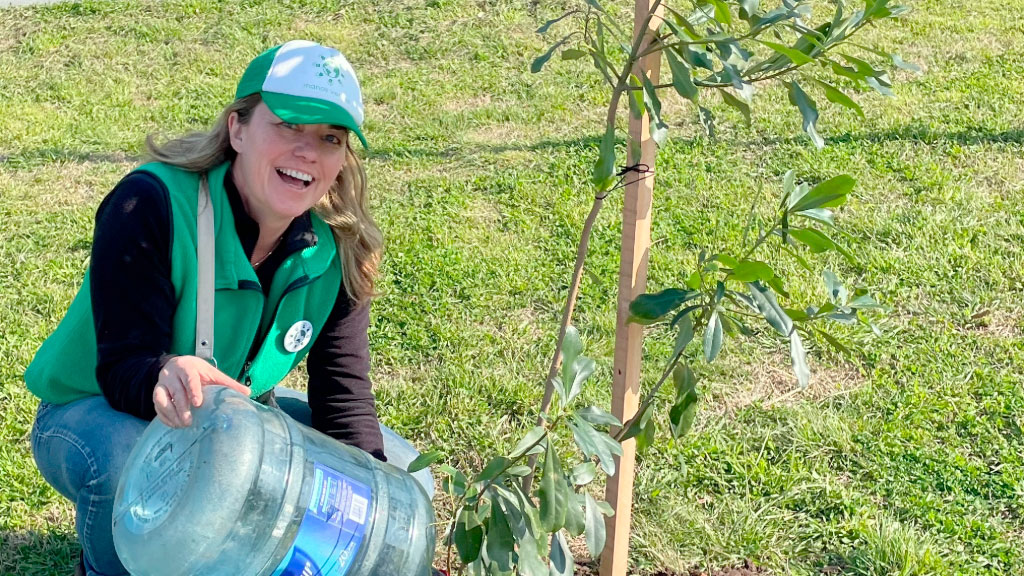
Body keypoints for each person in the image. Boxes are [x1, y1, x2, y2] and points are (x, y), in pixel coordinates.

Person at [25, 40, 417, 576]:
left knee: (397, 473)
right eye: (288, 126)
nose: (308, 152)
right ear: (237, 128)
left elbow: (343, 397)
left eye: (329, 138)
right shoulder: (149, 203)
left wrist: (380, 512)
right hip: (95, 409)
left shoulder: (338, 250)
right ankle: (106, 567)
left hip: (225, 416)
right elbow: (123, 365)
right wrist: (167, 370)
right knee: (128, 464)